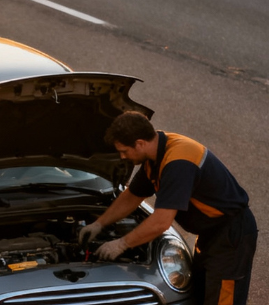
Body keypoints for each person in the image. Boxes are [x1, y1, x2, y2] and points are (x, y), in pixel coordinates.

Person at [80, 111, 257, 305]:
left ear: (140, 143)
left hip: (231, 235)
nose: (122, 157)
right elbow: (132, 196)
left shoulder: (178, 162)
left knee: (222, 300)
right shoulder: (155, 155)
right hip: (210, 234)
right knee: (201, 295)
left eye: (124, 151)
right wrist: (99, 224)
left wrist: (121, 244)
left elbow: (161, 222)